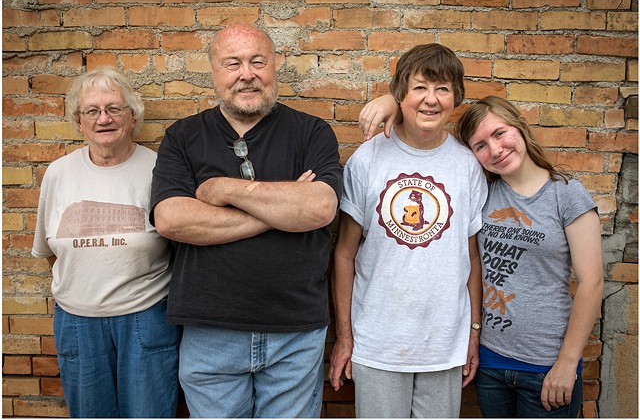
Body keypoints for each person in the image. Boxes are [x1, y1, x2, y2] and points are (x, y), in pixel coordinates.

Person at [360, 94, 604, 417]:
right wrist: (394, 102)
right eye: (480, 146)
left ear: (519, 126)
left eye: (500, 134)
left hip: (546, 366)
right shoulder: (484, 192)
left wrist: (567, 363)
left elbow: (592, 282)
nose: (495, 150)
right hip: (490, 366)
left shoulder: (566, 194)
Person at [149, 23, 343, 418]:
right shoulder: (183, 136)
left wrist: (224, 189)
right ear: (215, 72)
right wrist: (284, 211)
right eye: (232, 63)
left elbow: (321, 209)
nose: (247, 74)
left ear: (275, 65)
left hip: (296, 330)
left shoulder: (312, 132)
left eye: (258, 61)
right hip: (211, 331)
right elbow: (171, 220)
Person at [328, 43, 487, 418]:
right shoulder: (367, 159)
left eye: (443, 89)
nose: (431, 100)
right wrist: (345, 337)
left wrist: (473, 332)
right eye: (420, 87)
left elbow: (472, 257)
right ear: (400, 93)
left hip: (444, 344)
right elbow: (344, 254)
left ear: (456, 98)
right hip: (379, 342)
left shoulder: (467, 165)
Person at [31, 66, 181, 418]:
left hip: (145, 319)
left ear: (132, 117)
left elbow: (180, 248)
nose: (104, 119)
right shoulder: (58, 174)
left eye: (114, 108)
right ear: (78, 121)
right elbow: (52, 252)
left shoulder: (159, 169)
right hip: (78, 322)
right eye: (92, 111)